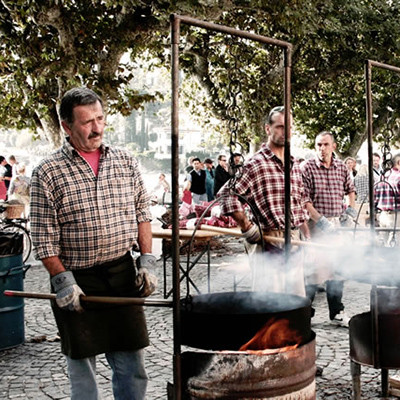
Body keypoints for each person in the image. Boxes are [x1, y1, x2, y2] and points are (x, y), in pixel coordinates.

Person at [30, 87, 156, 400]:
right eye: (86, 122)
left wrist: (147, 261)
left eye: (100, 118)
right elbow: (43, 239)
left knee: (132, 363)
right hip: (77, 277)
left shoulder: (125, 162)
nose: (97, 128)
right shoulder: (47, 172)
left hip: (121, 274)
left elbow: (143, 214)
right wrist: (63, 282)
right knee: (82, 368)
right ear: (66, 126)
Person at [218, 106, 310, 296]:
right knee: (269, 302)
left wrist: (305, 236)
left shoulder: (294, 165)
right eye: (280, 127)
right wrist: (246, 226)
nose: (286, 132)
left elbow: (300, 204)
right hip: (267, 239)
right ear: (268, 129)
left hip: (293, 240)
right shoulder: (255, 164)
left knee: (297, 301)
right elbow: (226, 194)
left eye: (290, 127)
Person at [301, 131, 356, 327]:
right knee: (313, 269)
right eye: (318, 145)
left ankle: (337, 312)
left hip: (336, 223)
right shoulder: (306, 167)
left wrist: (350, 209)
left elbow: (350, 189)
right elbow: (304, 199)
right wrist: (320, 220)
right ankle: (304, 313)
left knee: (337, 268)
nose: (321, 149)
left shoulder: (341, 167)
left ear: (334, 146)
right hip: (314, 224)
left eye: (325, 144)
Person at [374, 153, 400, 246]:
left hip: (382, 215)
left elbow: (374, 196)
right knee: (395, 246)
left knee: (384, 246)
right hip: (396, 216)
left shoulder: (381, 176)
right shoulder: (398, 177)